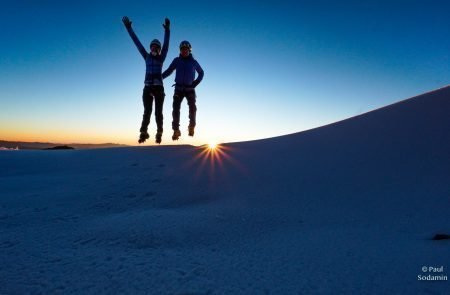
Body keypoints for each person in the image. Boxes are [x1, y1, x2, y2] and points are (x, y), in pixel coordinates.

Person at [122, 16, 170, 144]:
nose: (154, 49)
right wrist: (128, 28)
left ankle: (159, 132)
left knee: (158, 112)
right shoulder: (146, 56)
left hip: (159, 88)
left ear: (159, 50)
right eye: (152, 47)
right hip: (147, 87)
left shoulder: (161, 58)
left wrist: (167, 30)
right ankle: (143, 132)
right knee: (147, 111)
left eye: (156, 48)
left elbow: (166, 46)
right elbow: (136, 42)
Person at [162, 41, 204, 140]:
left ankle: (191, 127)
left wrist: (196, 82)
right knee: (175, 109)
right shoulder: (177, 60)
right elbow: (169, 70)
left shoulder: (194, 62)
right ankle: (176, 130)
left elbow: (201, 72)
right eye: (182, 49)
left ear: (189, 50)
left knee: (192, 108)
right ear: (180, 51)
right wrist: (160, 77)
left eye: (186, 49)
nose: (184, 51)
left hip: (190, 89)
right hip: (179, 89)